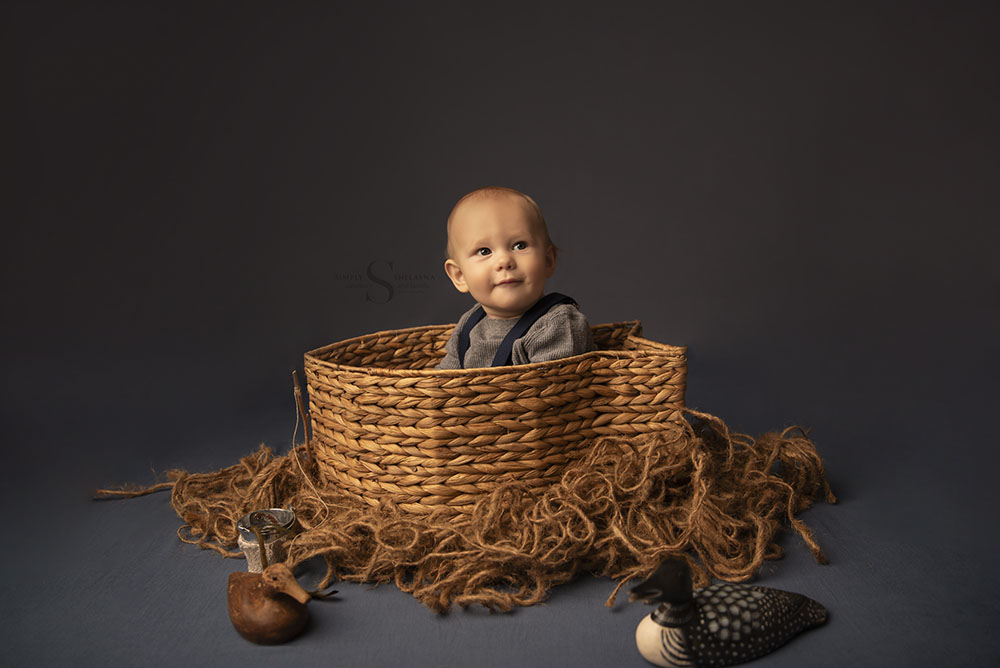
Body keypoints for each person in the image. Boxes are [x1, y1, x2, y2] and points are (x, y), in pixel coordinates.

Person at [436, 186, 596, 369]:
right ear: (460, 275)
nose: (504, 261)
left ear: (548, 260)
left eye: (520, 246)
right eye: (484, 251)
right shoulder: (470, 324)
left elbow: (550, 390)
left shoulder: (557, 324)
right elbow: (443, 381)